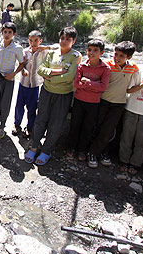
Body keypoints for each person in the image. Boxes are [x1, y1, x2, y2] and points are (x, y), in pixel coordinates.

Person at [26, 26, 81, 166]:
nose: (63, 41)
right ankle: (33, 147)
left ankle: (46, 151)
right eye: (62, 38)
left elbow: (70, 76)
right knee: (40, 119)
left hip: (63, 94)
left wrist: (50, 77)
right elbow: (40, 69)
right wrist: (57, 72)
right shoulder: (52, 53)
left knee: (56, 124)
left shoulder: (75, 56)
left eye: (67, 39)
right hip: (47, 91)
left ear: (73, 41)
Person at [86, 41, 140, 168]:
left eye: (121, 56)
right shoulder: (107, 65)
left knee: (109, 130)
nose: (117, 58)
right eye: (116, 54)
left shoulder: (133, 68)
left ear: (129, 57)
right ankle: (92, 152)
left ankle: (100, 152)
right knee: (97, 126)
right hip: (103, 100)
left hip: (119, 103)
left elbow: (133, 86)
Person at [66, 39, 110, 160]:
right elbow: (77, 84)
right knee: (75, 125)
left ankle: (82, 150)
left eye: (96, 50)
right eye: (90, 50)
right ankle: (71, 148)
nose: (92, 53)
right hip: (79, 101)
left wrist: (89, 83)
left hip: (93, 103)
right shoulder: (82, 66)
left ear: (102, 53)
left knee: (88, 127)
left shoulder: (105, 69)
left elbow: (103, 87)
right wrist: (93, 85)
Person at [13, 30, 48, 139]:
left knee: (32, 107)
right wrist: (23, 70)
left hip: (35, 85)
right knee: (19, 105)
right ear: (28, 40)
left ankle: (30, 128)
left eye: (36, 40)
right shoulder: (25, 51)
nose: (33, 43)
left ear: (40, 41)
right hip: (23, 83)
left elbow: (58, 48)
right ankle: (17, 124)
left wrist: (46, 48)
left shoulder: (43, 52)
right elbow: (21, 64)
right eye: (31, 40)